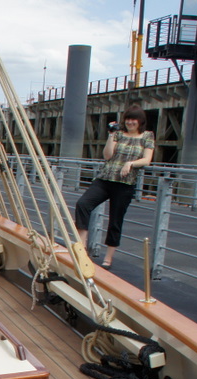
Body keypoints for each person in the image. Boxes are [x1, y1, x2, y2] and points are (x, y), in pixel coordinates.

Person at [74, 105, 155, 269]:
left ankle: (108, 259)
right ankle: (82, 247)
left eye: (134, 119)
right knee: (83, 204)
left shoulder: (147, 136)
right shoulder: (118, 134)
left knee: (115, 220)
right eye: (128, 119)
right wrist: (111, 136)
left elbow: (147, 160)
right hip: (105, 178)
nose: (130, 122)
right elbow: (107, 155)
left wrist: (130, 163)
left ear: (140, 121)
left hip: (125, 183)